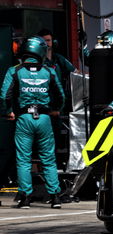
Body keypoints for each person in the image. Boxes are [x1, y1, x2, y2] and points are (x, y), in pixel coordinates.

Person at [0, 36, 65, 208]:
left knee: (23, 160)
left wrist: (9, 112)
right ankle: (55, 197)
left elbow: (4, 95)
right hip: (44, 118)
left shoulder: (15, 70)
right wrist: (56, 110)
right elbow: (61, 95)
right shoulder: (49, 71)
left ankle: (25, 197)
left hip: (24, 118)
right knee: (48, 159)